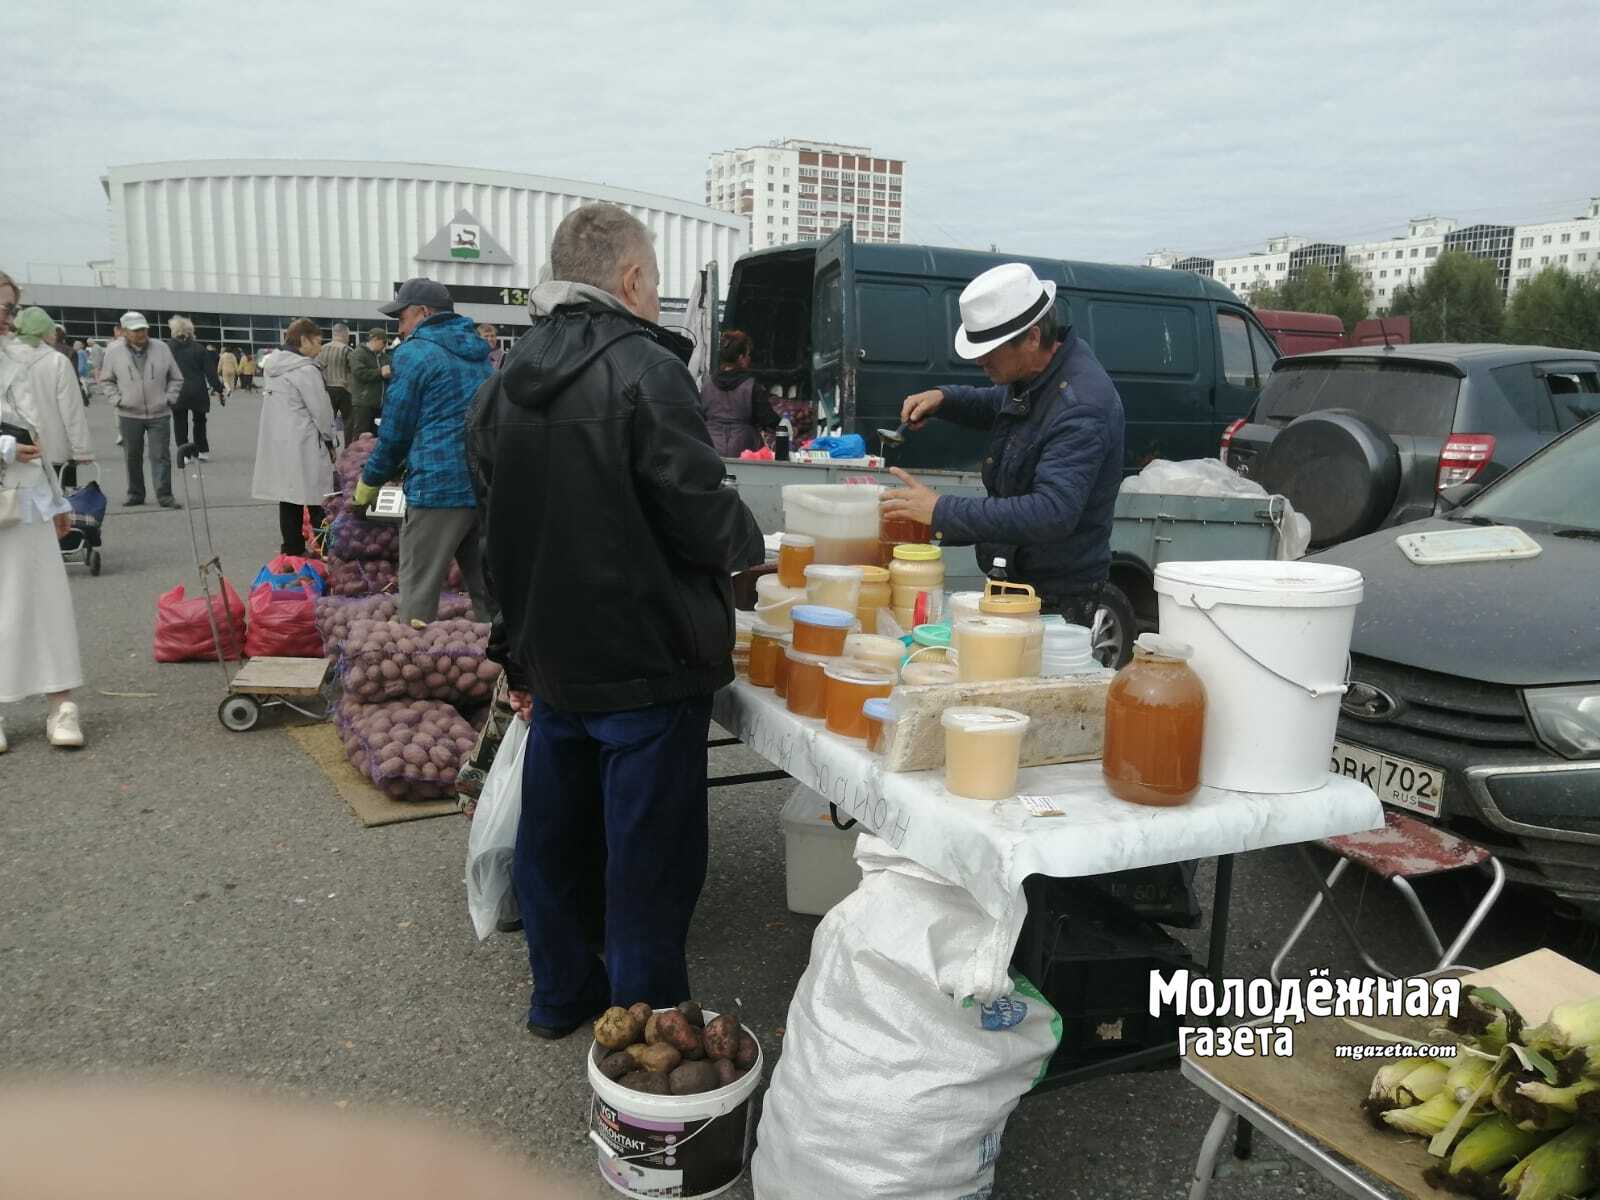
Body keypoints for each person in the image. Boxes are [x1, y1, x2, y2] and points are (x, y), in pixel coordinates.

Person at [470, 203, 764, 1038]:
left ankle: (559, 998)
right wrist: (751, 541)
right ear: (631, 279)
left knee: (556, 842)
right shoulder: (645, 368)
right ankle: (643, 1025)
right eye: (657, 278)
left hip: (556, 662)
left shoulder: (501, 385)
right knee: (648, 860)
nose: (658, 293)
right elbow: (698, 509)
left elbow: (496, 550)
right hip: (648, 659)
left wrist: (513, 658)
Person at [881, 262, 1125, 627]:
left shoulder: (1081, 405)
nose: (980, 360)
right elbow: (1001, 404)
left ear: (1031, 337)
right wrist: (945, 398)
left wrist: (940, 511)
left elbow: (1052, 512)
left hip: (1058, 595)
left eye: (990, 350)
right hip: (1020, 576)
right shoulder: (1042, 371)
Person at [353, 279, 493, 624]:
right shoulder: (480, 353)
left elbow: (396, 432)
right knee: (489, 591)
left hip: (437, 488)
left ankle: (413, 662)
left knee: (419, 592)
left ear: (424, 312)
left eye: (402, 318)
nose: (399, 328)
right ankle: (505, 670)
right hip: (483, 485)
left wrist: (369, 481)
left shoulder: (415, 353)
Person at [0, 286, 86, 751]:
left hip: (28, 492)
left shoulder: (20, 358)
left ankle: (62, 702)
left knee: (47, 597)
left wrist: (58, 500)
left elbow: (36, 438)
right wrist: (5, 447)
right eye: (4, 307)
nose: (9, 317)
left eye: (12, 307)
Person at [251, 318, 336, 557]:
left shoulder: (273, 367)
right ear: (304, 340)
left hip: (281, 443)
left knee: (289, 498)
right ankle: (327, 549)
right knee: (319, 498)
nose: (320, 348)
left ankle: (292, 549)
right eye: (318, 342)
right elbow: (321, 411)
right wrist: (330, 440)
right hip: (306, 441)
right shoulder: (305, 370)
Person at [100, 310, 184, 508]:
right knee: (132, 456)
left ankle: (164, 495)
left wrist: (169, 398)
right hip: (128, 413)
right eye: (135, 330)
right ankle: (136, 494)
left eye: (143, 329)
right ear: (125, 332)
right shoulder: (114, 352)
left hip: (159, 412)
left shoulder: (161, 348)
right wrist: (117, 399)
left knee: (161, 455)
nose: (140, 334)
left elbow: (176, 377)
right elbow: (106, 380)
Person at [3, 307, 93, 488]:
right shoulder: (57, 361)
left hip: (11, 449)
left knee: (14, 509)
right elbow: (72, 411)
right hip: (52, 450)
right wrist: (82, 451)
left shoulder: (4, 356)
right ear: (45, 331)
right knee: (58, 508)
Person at [698, 328, 779, 456]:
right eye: (748, 354)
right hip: (743, 449)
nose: (749, 358)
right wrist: (783, 425)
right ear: (741, 357)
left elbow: (698, 417)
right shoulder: (751, 386)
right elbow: (767, 418)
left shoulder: (707, 384)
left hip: (711, 448)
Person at [167, 316, 219, 461]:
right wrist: (219, 388)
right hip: (198, 390)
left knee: (180, 422)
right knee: (200, 421)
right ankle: (202, 450)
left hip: (177, 391)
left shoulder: (168, 348)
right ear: (190, 331)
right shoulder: (199, 348)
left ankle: (184, 454)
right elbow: (210, 372)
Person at [348, 327, 389, 440]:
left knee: (376, 437)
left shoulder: (384, 357)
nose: (385, 346)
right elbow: (360, 373)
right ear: (375, 339)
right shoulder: (358, 354)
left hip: (380, 405)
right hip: (363, 404)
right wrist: (380, 372)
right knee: (361, 436)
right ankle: (355, 457)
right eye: (383, 342)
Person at [316, 322, 354, 445]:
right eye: (348, 335)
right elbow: (354, 369)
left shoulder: (322, 349)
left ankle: (328, 445)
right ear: (343, 334)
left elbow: (317, 368)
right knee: (349, 421)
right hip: (345, 389)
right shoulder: (347, 350)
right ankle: (348, 448)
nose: (348, 338)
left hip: (327, 389)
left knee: (328, 420)